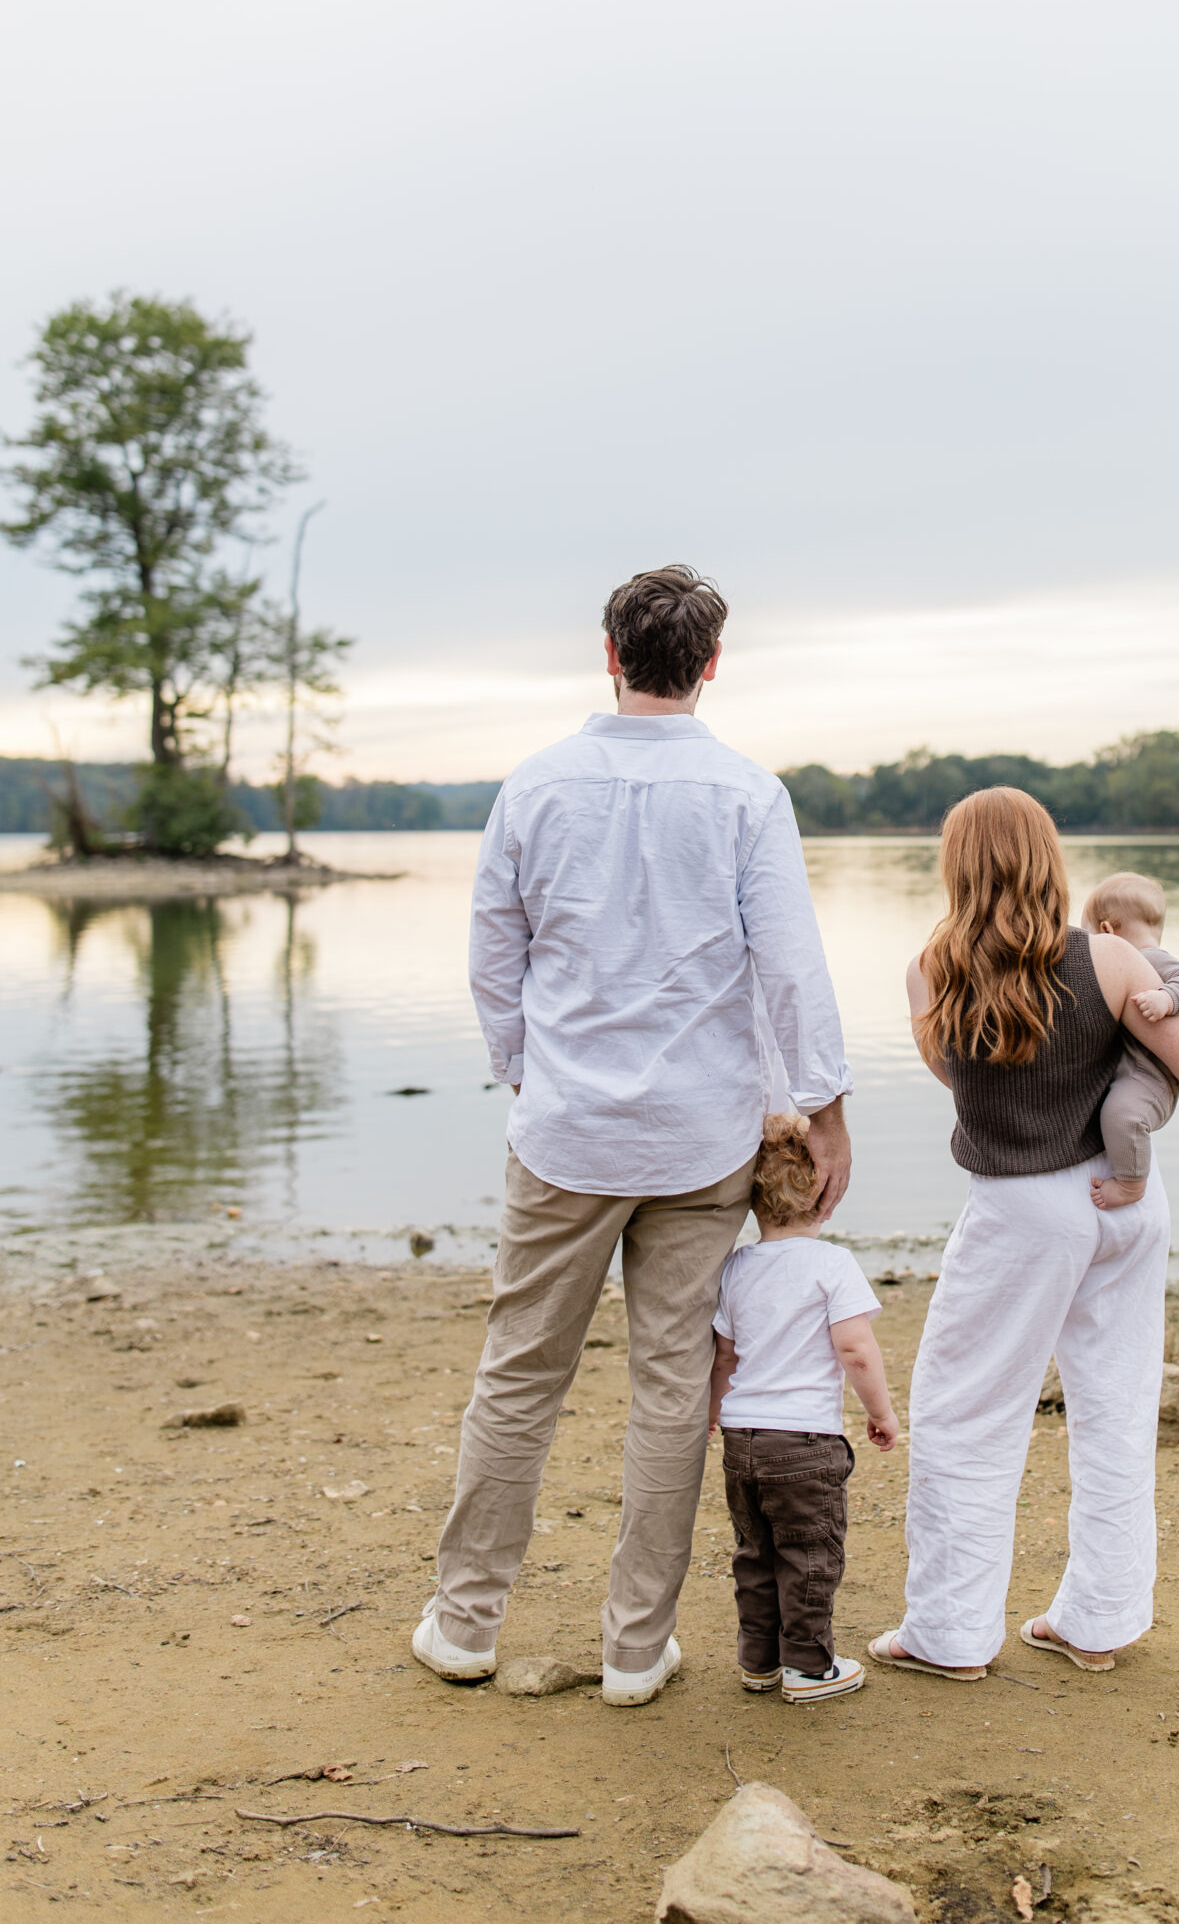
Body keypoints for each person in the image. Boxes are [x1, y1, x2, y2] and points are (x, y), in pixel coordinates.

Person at [413, 565, 854, 1708]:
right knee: (671, 1388)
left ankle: (465, 1625)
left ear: (609, 653)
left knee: (519, 1376)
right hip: (699, 1140)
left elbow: (491, 953)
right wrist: (825, 1103)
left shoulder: (536, 784)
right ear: (710, 664)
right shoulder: (748, 793)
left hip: (562, 1132)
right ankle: (630, 1647)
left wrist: (525, 1071)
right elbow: (791, 964)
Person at [869, 788, 1179, 1684]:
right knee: (1116, 1403)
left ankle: (950, 1635)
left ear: (956, 867)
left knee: (965, 1411)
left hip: (1022, 1210)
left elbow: (967, 1090)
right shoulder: (1109, 957)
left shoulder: (927, 974)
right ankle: (1097, 1622)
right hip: (1124, 1204)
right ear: (1048, 860)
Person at [709, 1112, 898, 1705]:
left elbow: (724, 1355)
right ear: (825, 1196)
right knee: (810, 1554)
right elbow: (855, 1349)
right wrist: (881, 1412)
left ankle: (759, 1662)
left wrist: (716, 1411)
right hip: (804, 1443)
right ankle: (810, 1669)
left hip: (742, 1441)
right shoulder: (832, 1264)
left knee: (756, 1553)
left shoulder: (736, 1267)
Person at [1080, 871, 1179, 1213]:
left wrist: (1167, 999)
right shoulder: (1132, 964)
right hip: (1132, 1072)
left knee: (1122, 1115)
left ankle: (1131, 1184)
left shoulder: (1151, 959)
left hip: (1150, 1080)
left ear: (1106, 931)